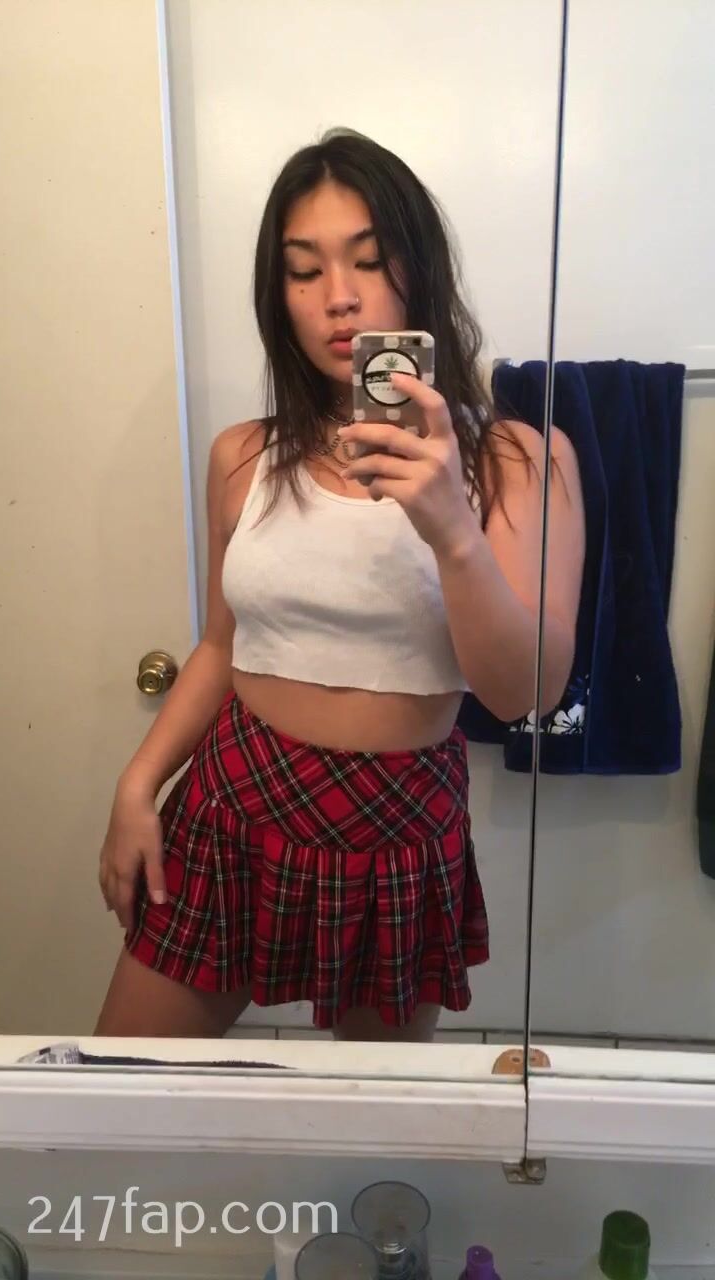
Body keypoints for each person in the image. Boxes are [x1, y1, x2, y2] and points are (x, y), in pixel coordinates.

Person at [95, 128, 585, 1042]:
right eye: (303, 269)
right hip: (233, 799)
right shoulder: (244, 456)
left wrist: (452, 529)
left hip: (399, 832)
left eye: (368, 258)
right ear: (276, 294)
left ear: (418, 269)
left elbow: (527, 693)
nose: (339, 296)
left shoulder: (519, 459)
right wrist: (136, 785)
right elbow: (220, 646)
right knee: (125, 1083)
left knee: (370, 1113)